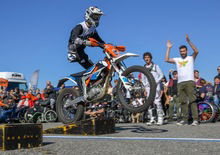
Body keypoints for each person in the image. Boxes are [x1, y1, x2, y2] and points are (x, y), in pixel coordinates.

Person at [165, 34, 199, 126]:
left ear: (186, 51)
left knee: (192, 100)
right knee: (183, 102)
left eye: (184, 51)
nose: (182, 52)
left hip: (190, 81)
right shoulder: (177, 59)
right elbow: (166, 59)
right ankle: (185, 119)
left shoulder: (191, 58)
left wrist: (189, 41)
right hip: (180, 83)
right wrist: (168, 48)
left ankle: (195, 119)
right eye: (181, 51)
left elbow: (196, 51)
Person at [140, 52, 164, 125]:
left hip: (156, 86)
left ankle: (160, 118)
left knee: (157, 102)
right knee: (149, 103)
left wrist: (155, 82)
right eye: (145, 58)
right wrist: (145, 87)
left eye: (148, 57)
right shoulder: (143, 68)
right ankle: (152, 118)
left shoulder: (155, 66)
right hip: (148, 87)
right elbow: (143, 78)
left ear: (150, 58)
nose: (146, 59)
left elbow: (161, 75)